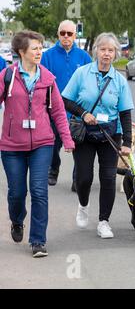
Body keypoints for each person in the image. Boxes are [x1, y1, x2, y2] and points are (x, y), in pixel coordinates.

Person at [0, 30, 75, 258]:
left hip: (42, 143)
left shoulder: (48, 79)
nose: (39, 51)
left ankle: (38, 241)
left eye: (41, 47)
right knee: (17, 193)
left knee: (40, 192)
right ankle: (16, 220)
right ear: (22, 51)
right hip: (12, 147)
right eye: (34, 48)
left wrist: (68, 138)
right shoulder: (7, 76)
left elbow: (59, 113)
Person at [62, 32, 134, 238]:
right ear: (96, 52)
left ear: (115, 54)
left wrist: (127, 142)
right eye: (103, 49)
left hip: (110, 134)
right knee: (84, 178)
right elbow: (65, 100)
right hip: (84, 133)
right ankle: (83, 205)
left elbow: (125, 112)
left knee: (108, 178)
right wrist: (83, 113)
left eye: (111, 50)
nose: (106, 54)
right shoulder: (82, 73)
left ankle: (104, 221)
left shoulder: (119, 80)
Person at [41, 20, 92, 190]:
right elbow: (42, 82)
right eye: (62, 33)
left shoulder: (84, 57)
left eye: (69, 33)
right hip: (54, 110)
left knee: (79, 146)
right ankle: (54, 168)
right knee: (53, 144)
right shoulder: (47, 56)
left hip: (78, 112)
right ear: (58, 34)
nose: (65, 37)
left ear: (75, 36)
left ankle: (76, 179)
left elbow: (91, 80)